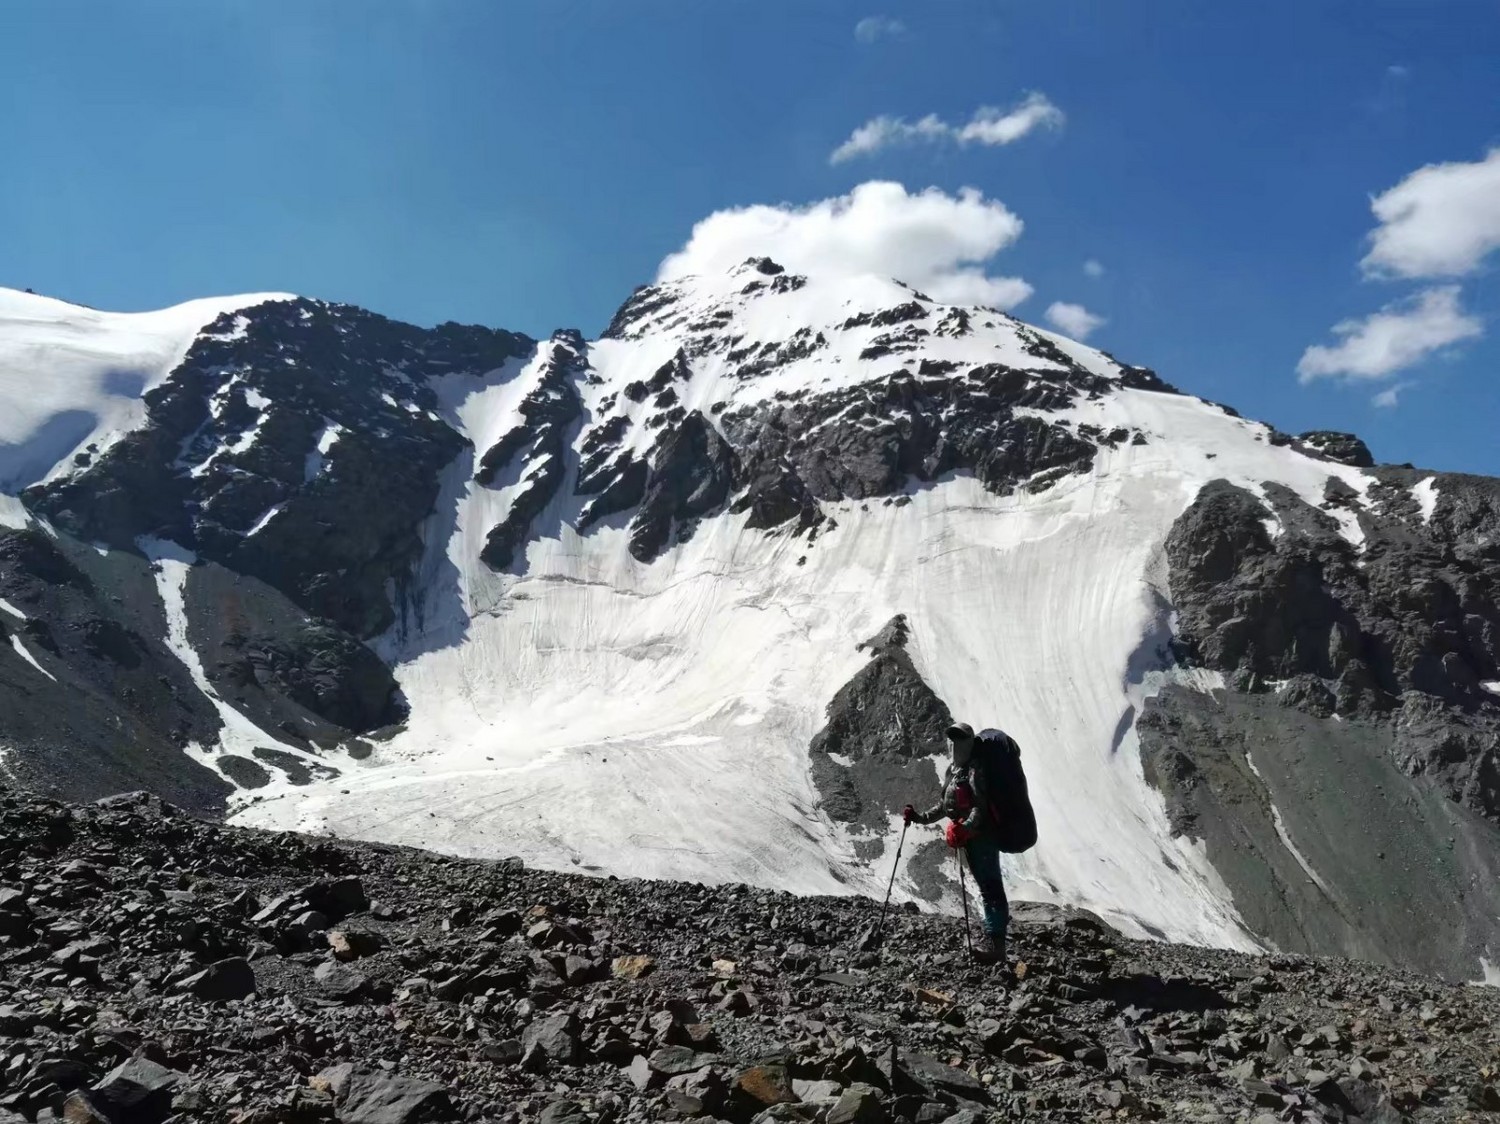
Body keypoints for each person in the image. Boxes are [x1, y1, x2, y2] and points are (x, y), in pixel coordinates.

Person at [904, 722, 1010, 964]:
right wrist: (919, 817)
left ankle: (998, 948)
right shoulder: (954, 771)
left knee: (990, 889)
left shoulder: (975, 770)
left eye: (959, 738)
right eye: (951, 738)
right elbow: (945, 807)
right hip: (970, 839)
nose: (954, 743)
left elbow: (979, 808)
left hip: (982, 838)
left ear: (970, 742)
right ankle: (995, 942)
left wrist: (966, 827)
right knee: (987, 888)